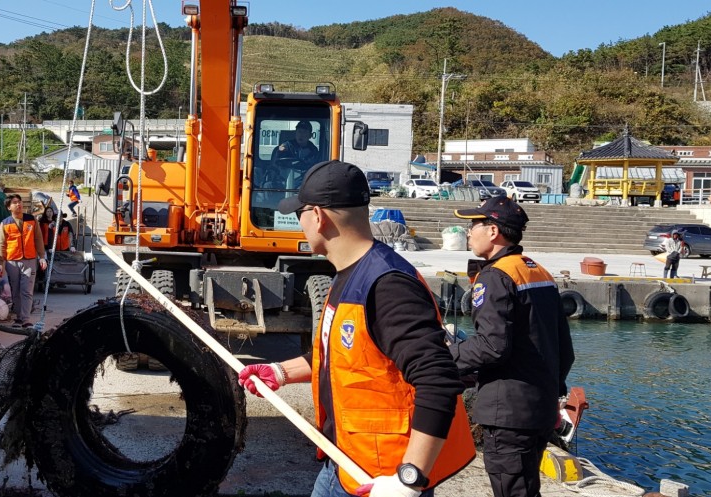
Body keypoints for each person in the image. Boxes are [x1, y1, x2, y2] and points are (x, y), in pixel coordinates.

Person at [238, 160, 474, 497]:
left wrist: (409, 479)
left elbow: (438, 381)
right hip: (345, 463)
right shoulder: (347, 275)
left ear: (317, 216)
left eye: (300, 214)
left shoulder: (387, 284)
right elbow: (345, 357)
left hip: (383, 479)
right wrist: (280, 371)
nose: (299, 223)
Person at [452, 196, 575, 497]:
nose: (469, 232)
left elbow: (492, 346)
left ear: (493, 231)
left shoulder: (494, 277)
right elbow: (566, 350)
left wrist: (444, 356)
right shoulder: (539, 272)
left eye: (473, 225)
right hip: (540, 409)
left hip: (508, 413)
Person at [0, 194, 46, 328]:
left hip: (30, 260)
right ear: (9, 207)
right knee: (16, 291)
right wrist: (0, 263)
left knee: (27, 290)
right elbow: (2, 244)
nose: (18, 204)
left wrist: (42, 256)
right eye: (14, 202)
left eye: (19, 202)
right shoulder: (5, 223)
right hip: (12, 261)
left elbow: (38, 239)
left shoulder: (32, 220)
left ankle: (25, 319)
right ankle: (18, 318)